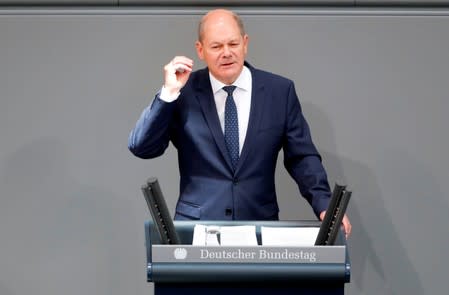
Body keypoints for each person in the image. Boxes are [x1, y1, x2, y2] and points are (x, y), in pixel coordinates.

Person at [128, 9, 351, 237]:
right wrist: (168, 93)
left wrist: (325, 205)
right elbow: (142, 147)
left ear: (245, 43)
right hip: (197, 232)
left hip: (259, 229)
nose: (226, 53)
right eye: (216, 46)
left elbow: (302, 158)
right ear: (200, 50)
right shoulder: (183, 93)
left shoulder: (279, 92)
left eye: (233, 44)